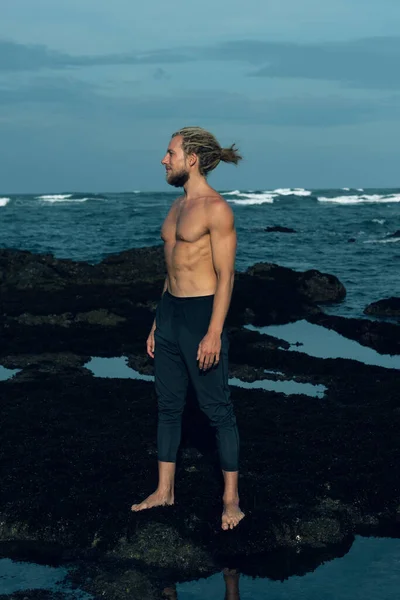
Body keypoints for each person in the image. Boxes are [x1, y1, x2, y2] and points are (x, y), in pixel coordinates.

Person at [131, 126, 245, 531]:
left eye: (170, 153)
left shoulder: (217, 209)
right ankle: (165, 491)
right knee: (167, 407)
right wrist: (156, 322)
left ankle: (231, 499)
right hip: (171, 315)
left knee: (217, 410)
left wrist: (213, 332)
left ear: (191, 159)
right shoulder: (176, 208)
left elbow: (226, 276)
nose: (164, 160)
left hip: (200, 317)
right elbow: (171, 271)